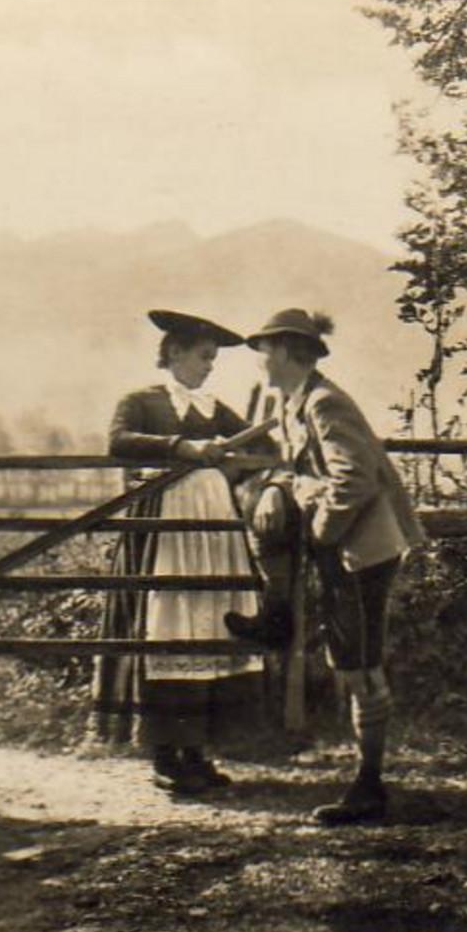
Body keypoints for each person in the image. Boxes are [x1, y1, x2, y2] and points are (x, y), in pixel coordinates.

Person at [225, 308, 425, 825]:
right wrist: (276, 486)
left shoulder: (325, 402)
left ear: (290, 353)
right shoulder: (294, 403)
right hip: (345, 548)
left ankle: (369, 786)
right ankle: (276, 614)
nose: (260, 360)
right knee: (352, 660)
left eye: (265, 349)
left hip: (361, 552)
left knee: (358, 665)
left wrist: (320, 535)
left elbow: (353, 481)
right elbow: (296, 469)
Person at [92, 310, 268, 796]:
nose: (210, 366)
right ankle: (167, 756)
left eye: (213, 358)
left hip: (214, 530)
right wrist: (183, 449)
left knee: (210, 625)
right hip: (166, 528)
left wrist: (234, 469)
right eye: (203, 357)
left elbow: (263, 443)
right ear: (173, 353)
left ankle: (198, 752)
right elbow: (118, 442)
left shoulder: (215, 407)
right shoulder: (143, 401)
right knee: (169, 626)